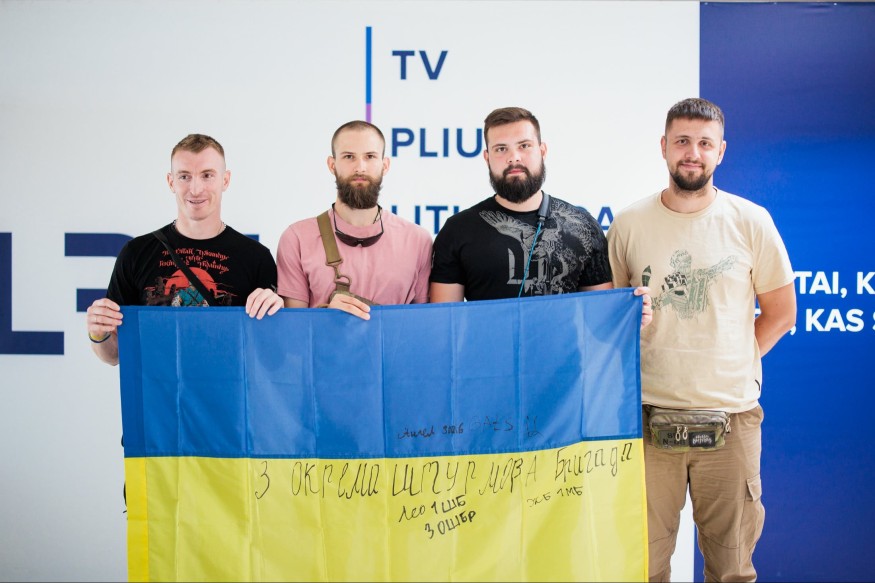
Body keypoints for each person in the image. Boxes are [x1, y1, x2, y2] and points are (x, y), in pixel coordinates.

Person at [606, 97, 797, 582]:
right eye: (683, 141)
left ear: (721, 151)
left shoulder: (751, 221)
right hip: (645, 419)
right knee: (642, 568)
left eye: (705, 144)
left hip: (731, 420)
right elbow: (608, 319)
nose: (693, 153)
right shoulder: (629, 224)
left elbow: (781, 313)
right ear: (664, 147)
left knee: (732, 569)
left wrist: (733, 360)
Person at [430, 106, 651, 323]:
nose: (514, 158)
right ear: (487, 157)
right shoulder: (458, 230)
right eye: (501, 149)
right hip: (487, 349)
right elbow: (444, 325)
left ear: (542, 151)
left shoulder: (582, 226)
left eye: (524, 146)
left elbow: (602, 319)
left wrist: (631, 316)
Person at [86, 133, 283, 366]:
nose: (196, 189)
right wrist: (98, 333)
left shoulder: (255, 258)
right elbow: (114, 355)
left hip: (226, 388)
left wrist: (278, 318)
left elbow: (273, 357)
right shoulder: (136, 252)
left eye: (207, 175)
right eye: (184, 176)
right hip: (157, 389)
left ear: (225, 180)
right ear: (171, 182)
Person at [276, 120, 432, 319]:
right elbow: (293, 327)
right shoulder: (297, 238)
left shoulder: (417, 240)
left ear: (385, 165)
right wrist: (326, 316)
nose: (360, 167)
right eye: (349, 156)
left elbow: (424, 323)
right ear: (332, 165)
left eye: (370, 156)